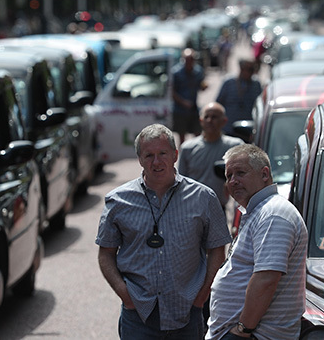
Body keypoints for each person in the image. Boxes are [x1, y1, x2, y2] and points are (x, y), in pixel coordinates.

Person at [96, 124, 232, 339]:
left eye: (162, 154)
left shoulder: (203, 197)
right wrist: (125, 294)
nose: (156, 162)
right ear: (140, 159)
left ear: (175, 155)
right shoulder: (118, 201)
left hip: (187, 314)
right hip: (138, 317)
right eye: (149, 155)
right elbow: (105, 254)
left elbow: (217, 249)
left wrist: (202, 295)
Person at [207, 144, 308, 340]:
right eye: (229, 176)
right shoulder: (260, 212)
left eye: (240, 173)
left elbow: (266, 279)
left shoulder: (274, 214)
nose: (233, 181)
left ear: (264, 174)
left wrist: (243, 329)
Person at [178, 102, 244, 217]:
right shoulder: (187, 148)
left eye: (214, 117)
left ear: (224, 121)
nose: (210, 120)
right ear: (200, 120)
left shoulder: (235, 147)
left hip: (219, 210)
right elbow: (180, 183)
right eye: (206, 117)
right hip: (192, 211)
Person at [215, 58, 262, 137]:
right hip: (229, 129)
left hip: (248, 130)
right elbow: (219, 103)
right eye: (249, 69)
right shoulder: (229, 82)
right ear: (241, 69)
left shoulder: (256, 84)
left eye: (253, 69)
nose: (251, 72)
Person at [172, 48, 208, 146]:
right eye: (187, 59)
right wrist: (183, 102)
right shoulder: (176, 73)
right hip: (180, 109)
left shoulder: (198, 71)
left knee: (197, 134)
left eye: (191, 59)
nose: (189, 62)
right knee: (182, 136)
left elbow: (201, 84)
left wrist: (203, 86)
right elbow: (172, 92)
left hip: (193, 108)